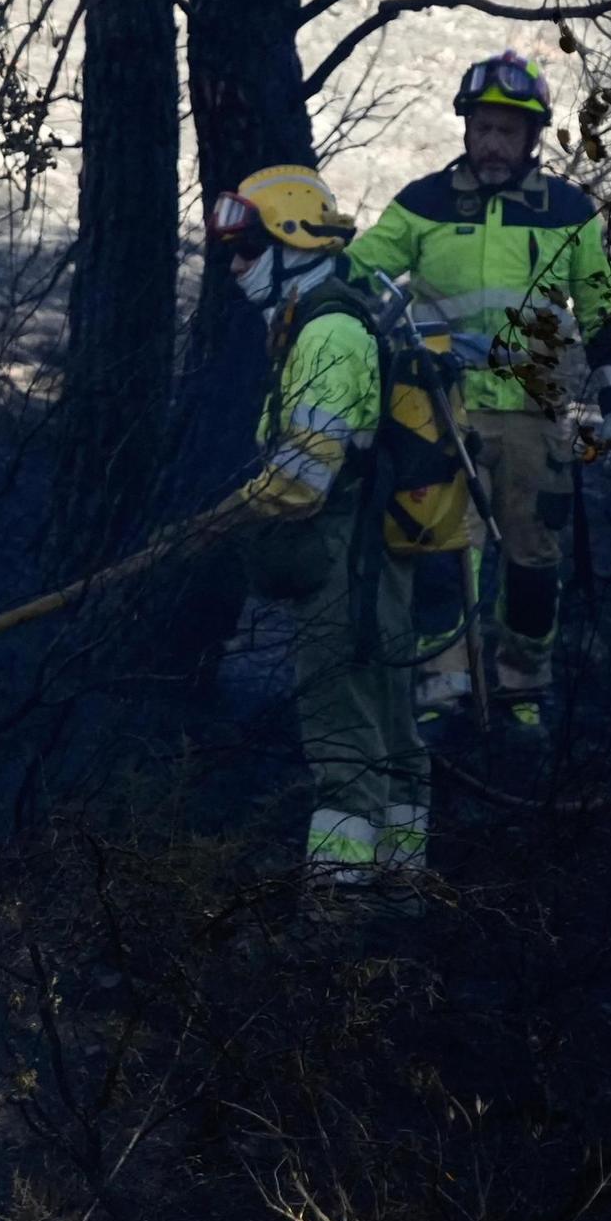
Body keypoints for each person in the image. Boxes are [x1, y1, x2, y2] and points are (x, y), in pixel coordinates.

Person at [347, 50, 611, 731]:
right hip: (437, 415)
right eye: (482, 128)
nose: (493, 143)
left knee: (533, 556)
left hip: (532, 418)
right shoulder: (422, 205)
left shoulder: (568, 211)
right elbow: (359, 279)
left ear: (534, 137)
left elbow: (602, 316)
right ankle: (444, 685)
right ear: (465, 128)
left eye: (509, 130)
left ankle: (521, 682)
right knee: (447, 549)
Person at [207, 165, 431, 896]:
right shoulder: (317, 324)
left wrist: (223, 516)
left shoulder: (329, 334)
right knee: (394, 738)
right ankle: (403, 901)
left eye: (246, 247)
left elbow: (302, 480)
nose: (235, 265)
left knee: (344, 742)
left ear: (294, 244)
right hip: (371, 554)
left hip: (344, 558)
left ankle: (334, 925)